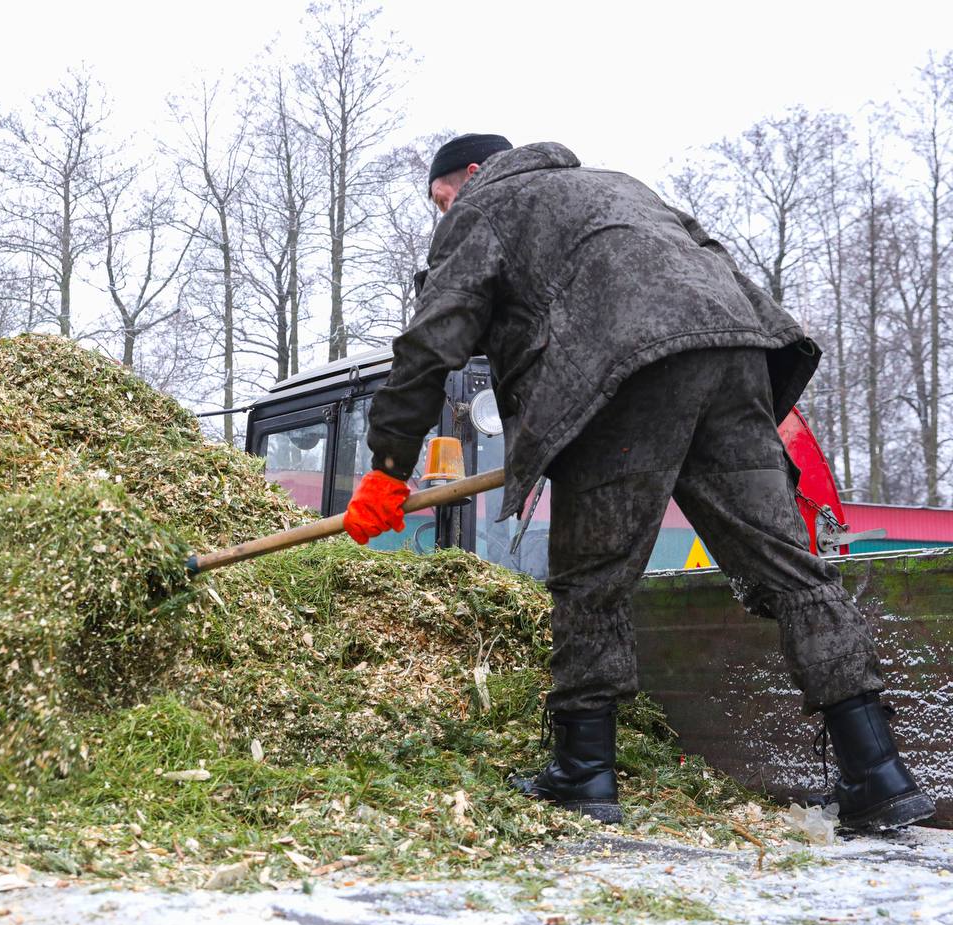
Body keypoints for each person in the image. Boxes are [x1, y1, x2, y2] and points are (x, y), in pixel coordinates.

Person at [342, 133, 935, 832]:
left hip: (624, 369)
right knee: (793, 572)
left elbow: (430, 341)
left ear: (471, 174)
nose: (444, 215)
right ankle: (880, 775)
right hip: (733, 350)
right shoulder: (618, 186)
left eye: (441, 200)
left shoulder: (490, 202)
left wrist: (385, 469)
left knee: (592, 580)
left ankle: (584, 773)